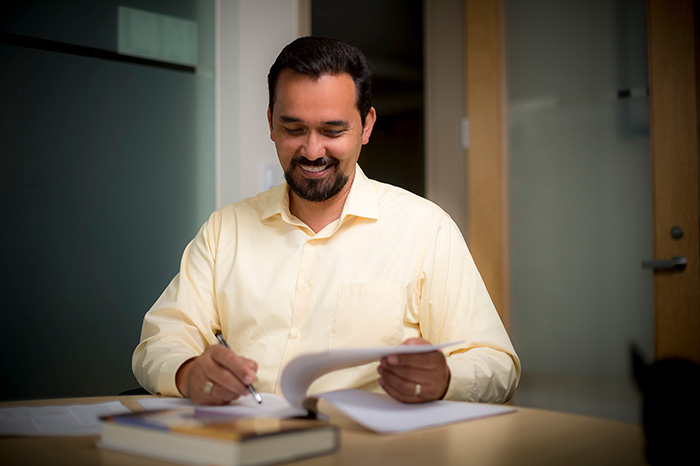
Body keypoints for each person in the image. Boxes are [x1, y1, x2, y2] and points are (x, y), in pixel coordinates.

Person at [132, 36, 520, 406]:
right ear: (270, 123)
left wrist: (446, 378)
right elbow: (159, 341)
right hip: (252, 444)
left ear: (366, 126)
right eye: (293, 129)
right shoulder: (225, 229)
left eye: (333, 131)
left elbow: (497, 363)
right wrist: (187, 372)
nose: (312, 150)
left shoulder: (425, 229)